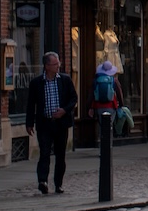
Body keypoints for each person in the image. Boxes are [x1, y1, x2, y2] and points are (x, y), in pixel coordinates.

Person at [25, 52, 78, 196]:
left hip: (61, 123)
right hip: (45, 124)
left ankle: (58, 184)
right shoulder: (37, 83)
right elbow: (31, 104)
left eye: (58, 63)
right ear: (47, 66)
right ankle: (43, 181)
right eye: (55, 64)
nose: (58, 66)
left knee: (60, 155)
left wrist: (64, 111)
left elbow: (74, 99)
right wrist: (29, 123)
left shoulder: (65, 80)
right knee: (44, 153)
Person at [90, 59, 123, 143]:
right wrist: (121, 105)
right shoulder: (114, 80)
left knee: (101, 125)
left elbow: (91, 95)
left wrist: (90, 107)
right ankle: (108, 147)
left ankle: (102, 145)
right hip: (111, 106)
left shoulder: (96, 80)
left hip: (98, 106)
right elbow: (119, 94)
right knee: (109, 126)